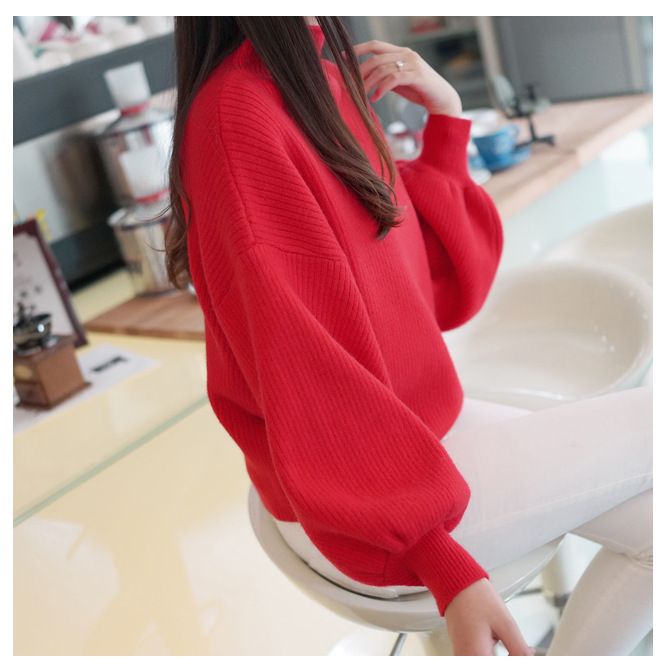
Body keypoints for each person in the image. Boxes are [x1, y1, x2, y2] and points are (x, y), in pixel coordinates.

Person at [165, 17, 652, 656]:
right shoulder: (236, 118)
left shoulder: (320, 81)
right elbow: (306, 367)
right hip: (364, 497)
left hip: (414, 435)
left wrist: (446, 120)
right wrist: (438, 558)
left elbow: (428, 289)